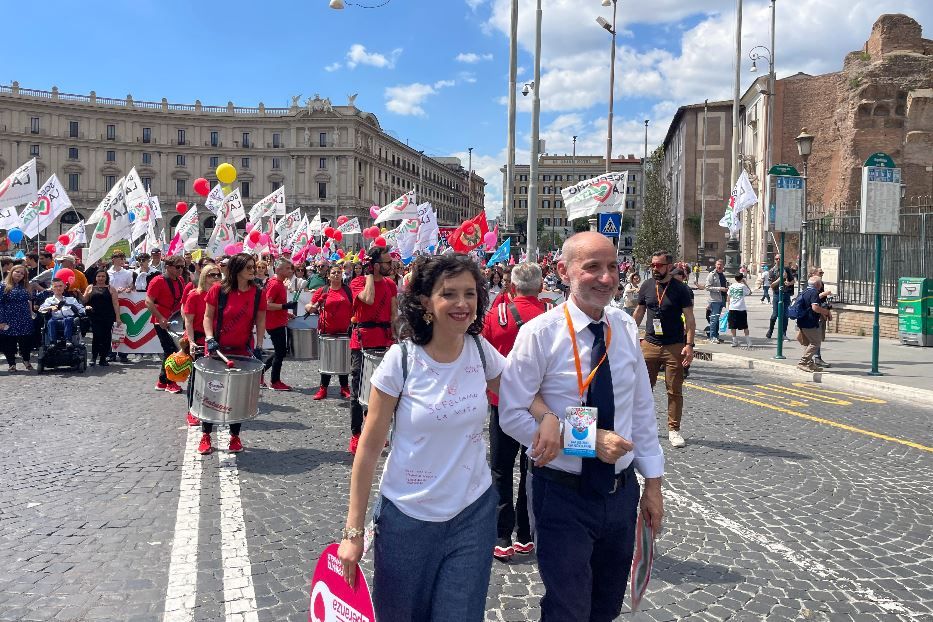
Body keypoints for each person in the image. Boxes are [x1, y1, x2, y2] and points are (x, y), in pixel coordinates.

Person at [499, 232, 665, 622]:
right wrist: (589, 441)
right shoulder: (540, 333)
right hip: (562, 495)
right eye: (592, 267)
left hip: (621, 495)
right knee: (568, 608)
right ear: (564, 271)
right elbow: (512, 413)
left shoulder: (623, 327)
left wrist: (653, 486)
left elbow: (641, 409)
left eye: (611, 267)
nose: (606, 278)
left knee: (605, 605)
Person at [337, 254, 507, 621]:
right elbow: (367, 450)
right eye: (449, 294)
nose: (462, 304)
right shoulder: (401, 361)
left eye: (470, 294)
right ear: (426, 301)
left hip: (472, 516)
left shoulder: (481, 352)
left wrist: (547, 418)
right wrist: (353, 531)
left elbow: (523, 392)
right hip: (407, 519)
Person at [481, 262, 548, 561]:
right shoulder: (551, 317)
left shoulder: (498, 314)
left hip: (502, 402)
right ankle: (524, 533)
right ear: (541, 287)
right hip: (540, 408)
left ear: (511, 287)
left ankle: (500, 535)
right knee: (531, 468)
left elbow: (483, 357)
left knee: (500, 469)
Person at [200, 253, 268, 454]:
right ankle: (206, 435)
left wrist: (260, 345)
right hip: (217, 348)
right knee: (211, 392)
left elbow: (261, 320)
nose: (252, 271)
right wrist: (210, 338)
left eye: (253, 267)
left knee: (237, 394)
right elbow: (207, 317)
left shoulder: (258, 293)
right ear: (237, 269)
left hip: (242, 349)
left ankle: (235, 437)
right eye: (248, 267)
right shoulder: (218, 290)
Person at [634, 250, 696, 449]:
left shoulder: (680, 289)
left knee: (674, 390)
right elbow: (639, 312)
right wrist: (629, 336)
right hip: (650, 345)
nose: (654, 268)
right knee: (642, 389)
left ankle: (674, 430)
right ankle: (639, 427)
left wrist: (689, 345)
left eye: (658, 265)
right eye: (652, 265)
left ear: (669, 266)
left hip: (674, 346)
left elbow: (691, 320)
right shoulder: (647, 285)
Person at [347, 246, 397, 454]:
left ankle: (376, 431)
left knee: (381, 391)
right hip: (362, 341)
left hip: (384, 340)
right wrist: (369, 274)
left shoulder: (391, 284)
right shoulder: (358, 282)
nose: (391, 266)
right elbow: (367, 299)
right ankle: (356, 434)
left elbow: (394, 313)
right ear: (375, 265)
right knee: (358, 389)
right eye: (386, 263)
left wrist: (396, 338)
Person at [182, 265, 223, 427]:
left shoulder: (222, 296)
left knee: (214, 378)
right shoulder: (194, 295)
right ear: (204, 277)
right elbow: (189, 321)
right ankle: (192, 410)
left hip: (216, 340)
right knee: (196, 378)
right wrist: (191, 341)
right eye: (212, 275)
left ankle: (212, 408)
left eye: (218, 275)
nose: (215, 278)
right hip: (198, 340)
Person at [309, 265, 353, 400]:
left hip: (345, 331)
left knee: (344, 360)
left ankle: (344, 388)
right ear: (328, 276)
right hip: (327, 331)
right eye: (333, 273)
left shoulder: (348, 290)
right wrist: (311, 307)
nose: (336, 274)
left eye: (339, 272)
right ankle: (323, 389)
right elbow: (310, 306)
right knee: (326, 361)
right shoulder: (323, 290)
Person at [146, 255, 187, 394]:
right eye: (177, 267)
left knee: (171, 350)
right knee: (171, 350)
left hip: (175, 321)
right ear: (168, 267)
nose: (181, 269)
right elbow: (148, 302)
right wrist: (161, 318)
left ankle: (162, 381)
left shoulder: (181, 280)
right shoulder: (157, 281)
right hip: (161, 321)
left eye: (182, 267)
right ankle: (170, 382)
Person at [261, 258, 298, 390]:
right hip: (274, 323)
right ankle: (275, 381)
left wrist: (286, 313)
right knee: (280, 352)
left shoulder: (279, 283)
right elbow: (267, 305)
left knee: (279, 351)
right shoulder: (276, 284)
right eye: (287, 268)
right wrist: (285, 306)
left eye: (290, 268)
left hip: (277, 321)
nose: (290, 270)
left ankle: (260, 374)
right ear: (278, 269)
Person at [82, 270, 122, 366]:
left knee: (106, 337)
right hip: (95, 316)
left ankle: (103, 358)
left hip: (108, 316)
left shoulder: (111, 288)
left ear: (106, 278)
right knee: (96, 336)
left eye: (103, 276)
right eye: (99, 276)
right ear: (95, 277)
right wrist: (79, 294)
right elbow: (84, 300)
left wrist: (118, 317)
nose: (101, 278)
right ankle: (94, 357)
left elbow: (116, 304)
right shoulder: (90, 287)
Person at [0, 264, 35, 371]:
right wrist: (1, 321)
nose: (19, 274)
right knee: (9, 342)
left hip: (24, 318)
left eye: (22, 273)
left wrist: (47, 291)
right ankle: (12, 364)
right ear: (12, 272)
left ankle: (26, 360)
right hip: (9, 318)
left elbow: (32, 298)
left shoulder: (25, 286)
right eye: (17, 272)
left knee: (25, 341)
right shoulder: (3, 285)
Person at [795, 275, 832, 372]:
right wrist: (826, 312)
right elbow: (815, 308)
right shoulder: (814, 292)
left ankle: (810, 364)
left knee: (807, 343)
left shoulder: (805, 291)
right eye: (821, 284)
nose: (821, 285)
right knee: (815, 342)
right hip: (809, 321)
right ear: (818, 285)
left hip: (802, 320)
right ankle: (803, 362)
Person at [38, 278, 85, 345]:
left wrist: (86, 308)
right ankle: (52, 342)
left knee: (68, 319)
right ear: (52, 288)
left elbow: (81, 310)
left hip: (68, 320)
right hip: (55, 320)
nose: (58, 288)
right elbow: (41, 309)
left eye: (60, 286)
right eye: (56, 286)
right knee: (51, 321)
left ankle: (68, 340)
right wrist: (50, 307)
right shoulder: (49, 300)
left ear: (64, 287)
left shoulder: (71, 299)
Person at [766, 253, 795, 340]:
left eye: (780, 259)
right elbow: (771, 285)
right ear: (774, 260)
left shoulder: (787, 269)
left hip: (786, 294)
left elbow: (793, 280)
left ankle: (783, 333)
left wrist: (789, 283)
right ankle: (770, 330)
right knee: (775, 315)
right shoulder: (772, 271)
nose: (778, 260)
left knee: (785, 315)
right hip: (777, 294)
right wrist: (780, 279)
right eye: (777, 259)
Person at [704, 259, 728, 343]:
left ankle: (716, 336)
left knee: (717, 319)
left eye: (721, 264)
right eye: (718, 264)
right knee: (714, 319)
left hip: (721, 299)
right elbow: (707, 287)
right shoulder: (712, 274)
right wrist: (720, 289)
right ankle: (712, 337)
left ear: (723, 266)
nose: (719, 266)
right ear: (715, 265)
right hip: (714, 300)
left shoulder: (722, 275)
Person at [727, 273, 752, 348]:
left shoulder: (731, 286)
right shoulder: (743, 286)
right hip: (741, 308)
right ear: (741, 279)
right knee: (745, 325)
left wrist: (729, 306)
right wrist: (745, 283)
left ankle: (734, 340)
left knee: (732, 326)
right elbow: (750, 292)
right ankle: (748, 341)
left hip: (732, 308)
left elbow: (728, 297)